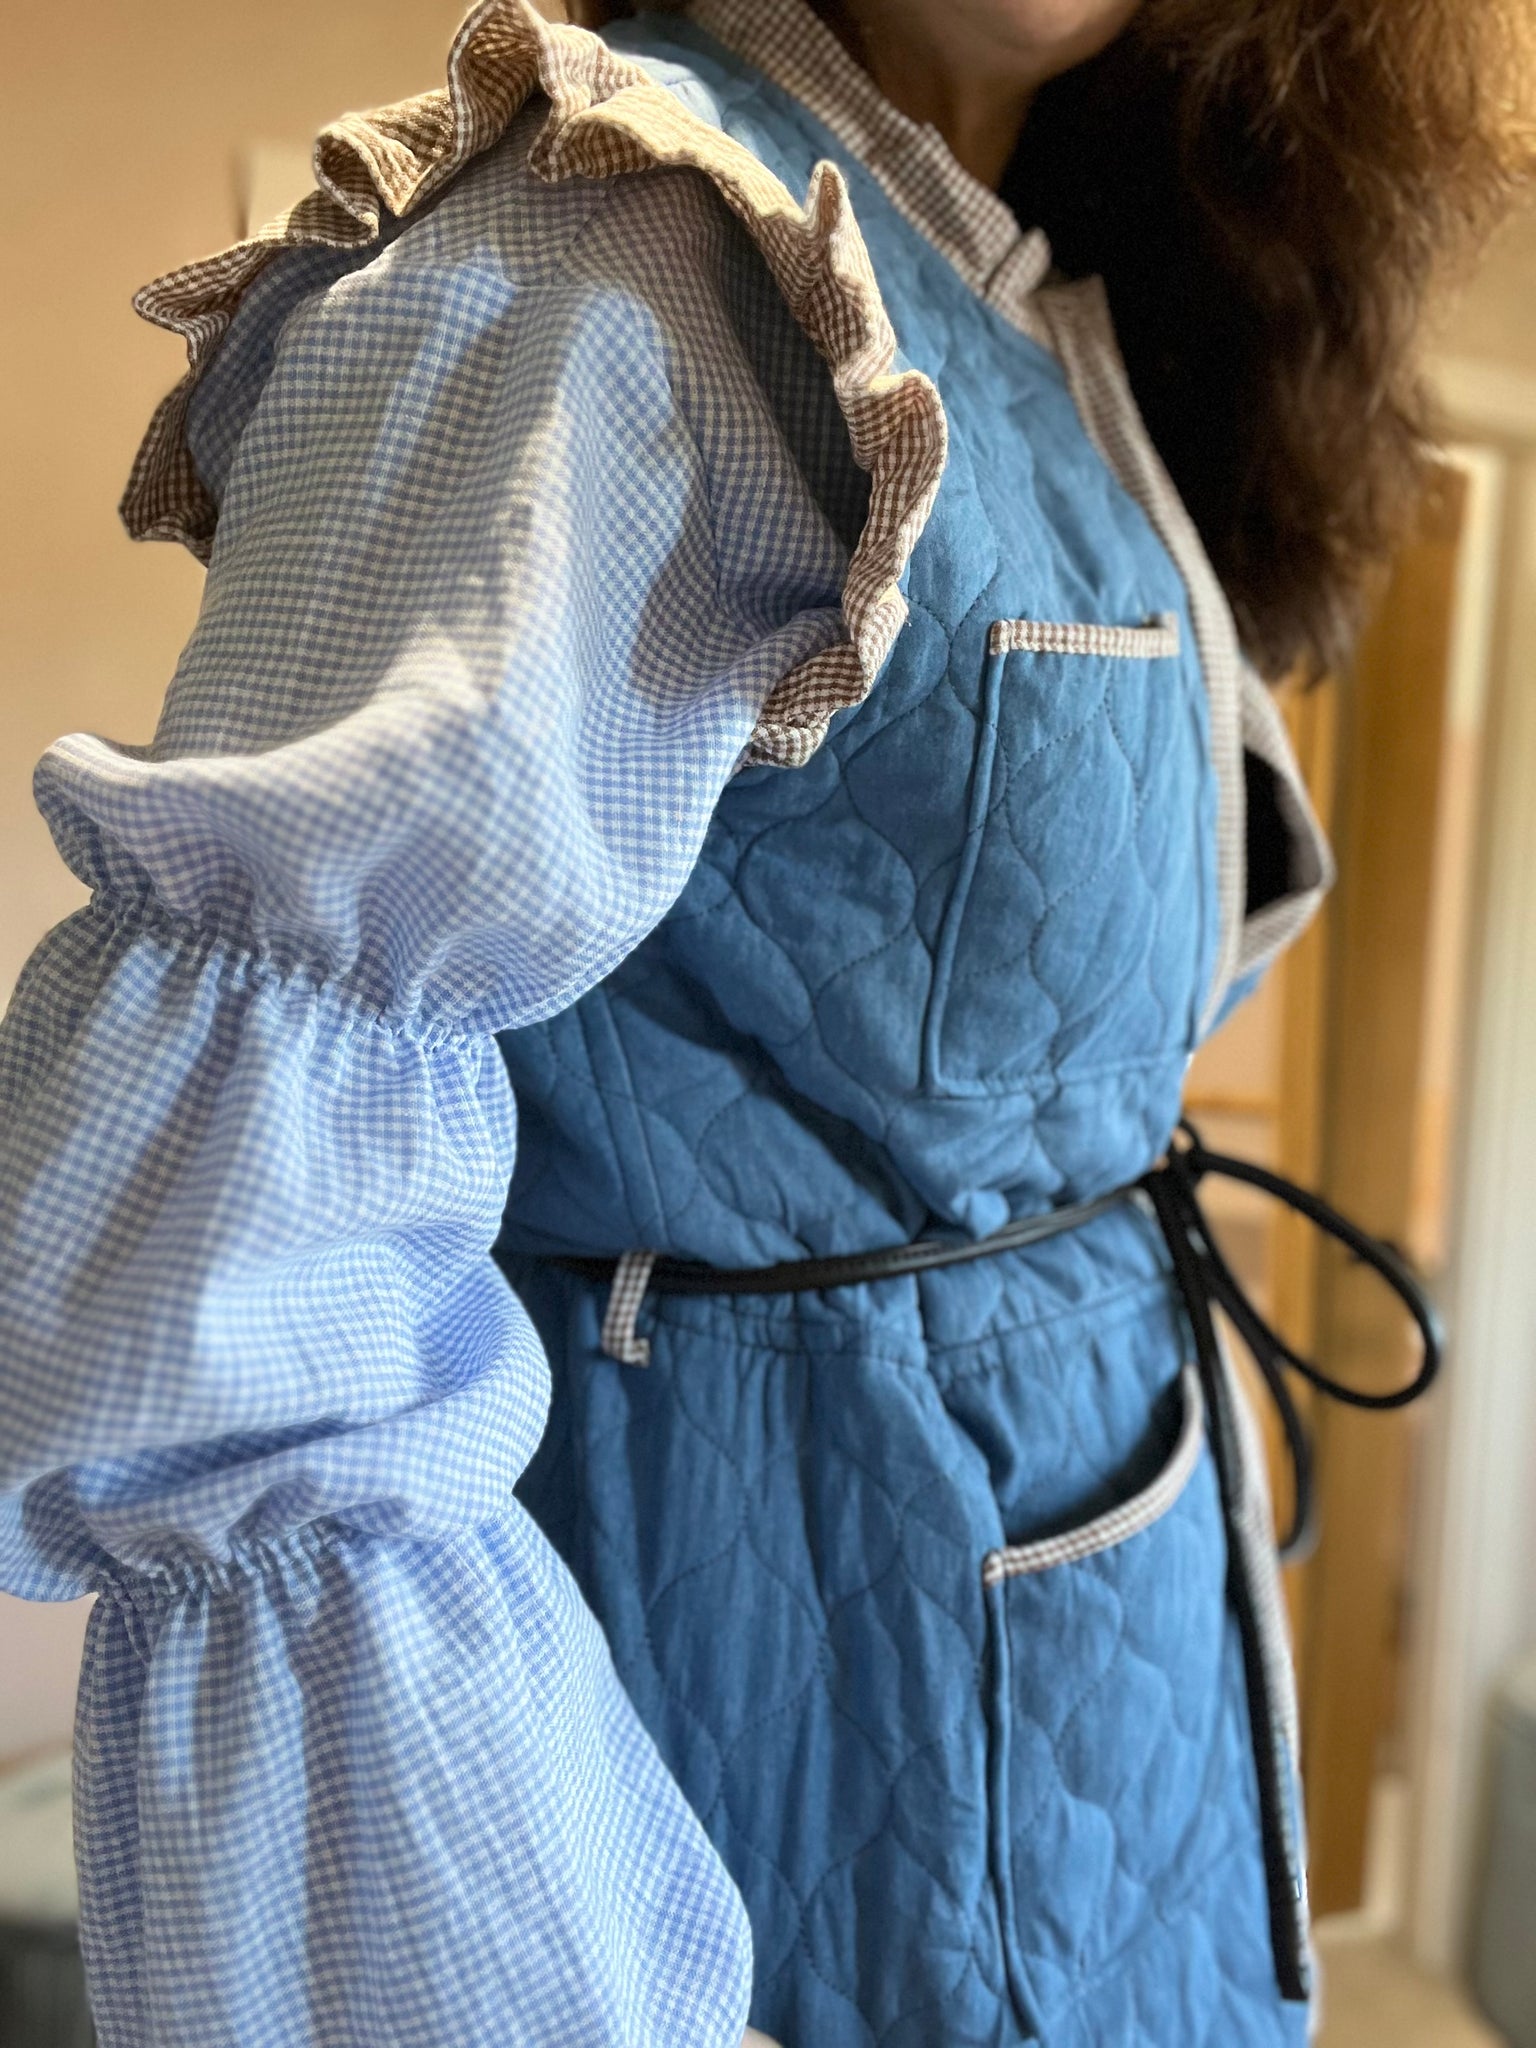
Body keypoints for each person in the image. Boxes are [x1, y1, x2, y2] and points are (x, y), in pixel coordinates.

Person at [0, 0, 1522, 2042]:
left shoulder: (1046, 291)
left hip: (1080, 1715)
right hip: (802, 1726)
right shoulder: (629, 241)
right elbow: (225, 1293)